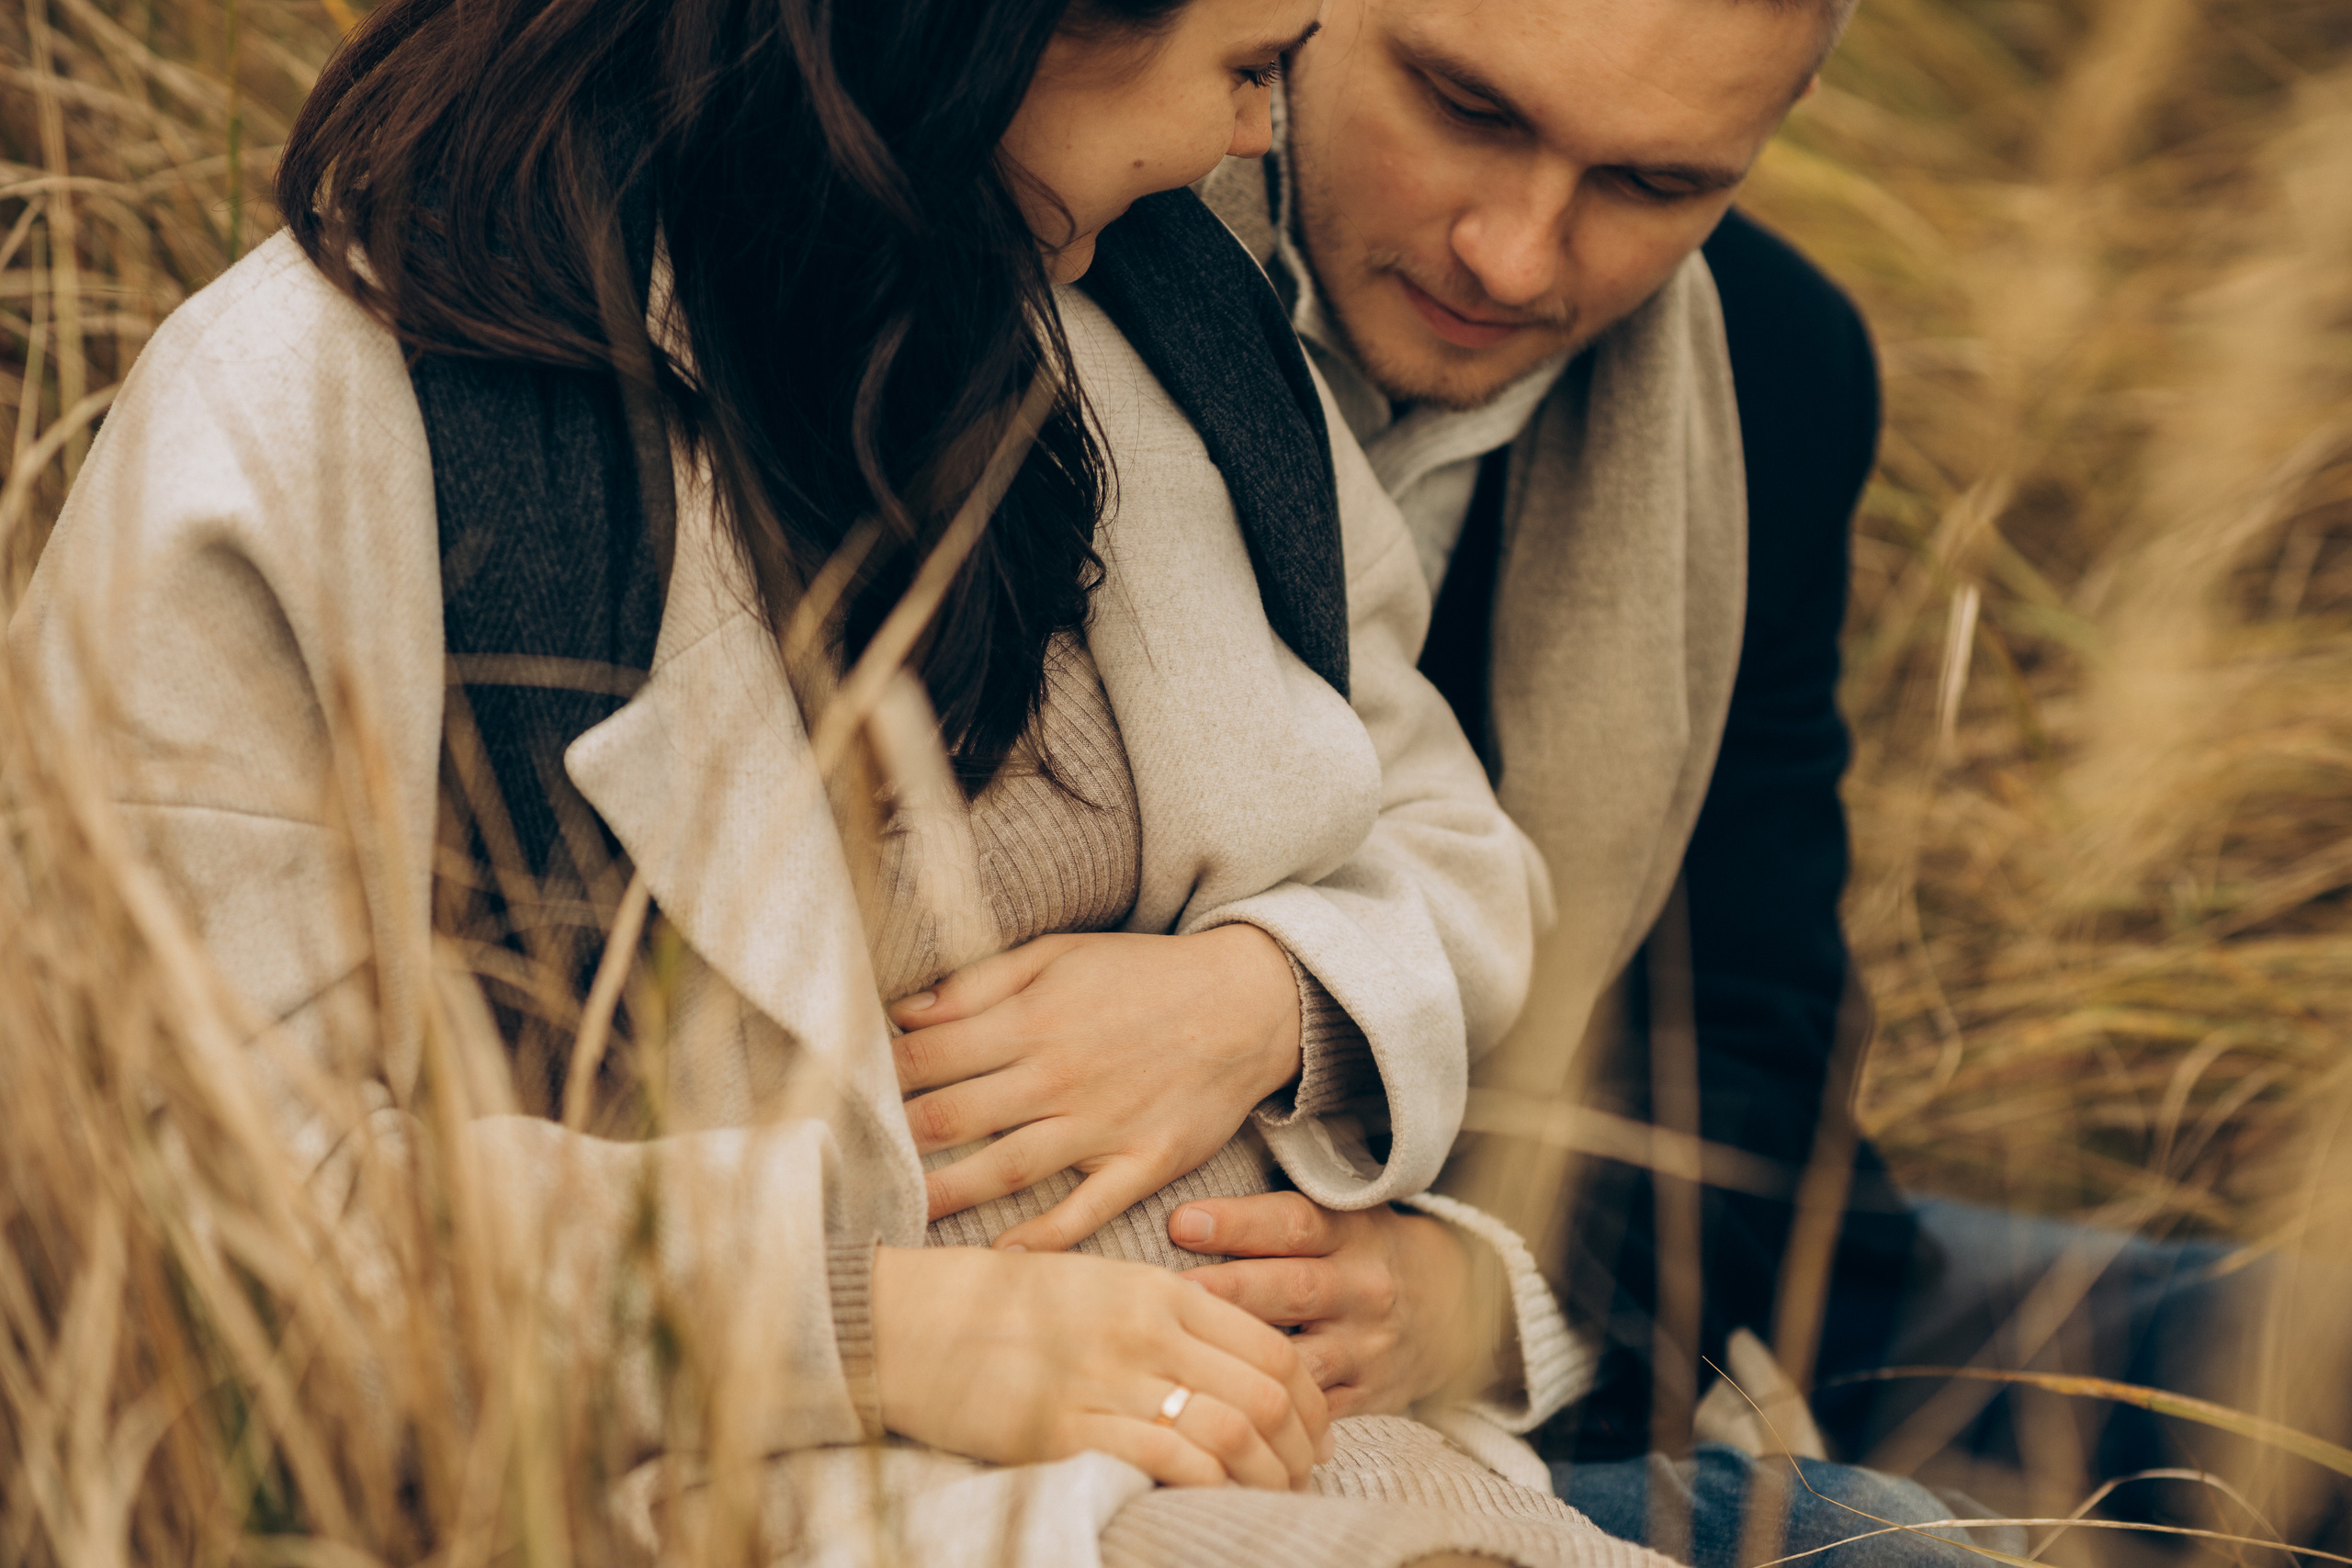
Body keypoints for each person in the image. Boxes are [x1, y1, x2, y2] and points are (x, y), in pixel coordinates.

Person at [7, 0, 1706, 1562]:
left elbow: (1447, 836)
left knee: (1901, 1529)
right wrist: (866, 1327)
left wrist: (1281, 996)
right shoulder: (312, 424)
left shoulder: (1157, 318)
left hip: (1387, 1452)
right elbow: (178, 1211)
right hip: (830, 1507)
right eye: (1250, 65)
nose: (1263, 137)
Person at [1169, 0, 2343, 1559]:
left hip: (1638, 1284)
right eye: (1468, 106)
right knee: (1890, 1543)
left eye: (1654, 186)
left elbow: (1752, 1048)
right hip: (1205, 1357)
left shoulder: (1766, 373)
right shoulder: (1062, 252)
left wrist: (1487, 1294)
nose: (1517, 257)